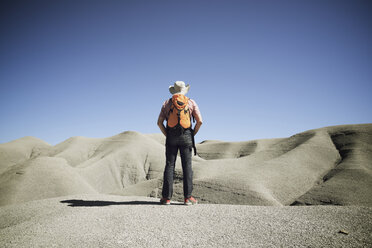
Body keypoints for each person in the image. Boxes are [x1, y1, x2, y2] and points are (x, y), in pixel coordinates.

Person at [157, 81, 203, 205]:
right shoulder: (191, 102)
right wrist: (192, 135)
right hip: (186, 136)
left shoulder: (167, 103)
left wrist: (168, 134)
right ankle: (188, 198)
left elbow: (159, 123)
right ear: (184, 90)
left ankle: (166, 198)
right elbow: (200, 121)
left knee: (170, 165)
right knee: (187, 166)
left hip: (171, 136)